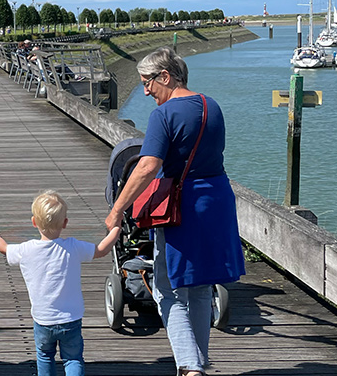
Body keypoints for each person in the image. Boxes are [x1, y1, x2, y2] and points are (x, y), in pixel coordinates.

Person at [104, 47, 245, 376]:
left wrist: (117, 209)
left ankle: (189, 366)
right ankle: (199, 359)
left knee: (167, 290)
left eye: (148, 82)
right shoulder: (213, 106)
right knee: (199, 287)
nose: (146, 91)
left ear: (165, 76)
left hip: (182, 207)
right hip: (218, 200)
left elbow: (147, 166)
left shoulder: (164, 115)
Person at [0, 190, 120, 376]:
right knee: (73, 358)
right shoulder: (73, 246)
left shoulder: (26, 250)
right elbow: (101, 250)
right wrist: (116, 228)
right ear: (65, 223)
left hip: (43, 320)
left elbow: (3, 248)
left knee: (45, 355)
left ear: (34, 222)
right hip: (71, 320)